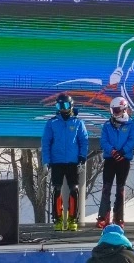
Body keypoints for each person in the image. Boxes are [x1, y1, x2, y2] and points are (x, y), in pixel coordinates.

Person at [42, 93, 89, 231]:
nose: (63, 109)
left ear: (71, 106)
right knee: (57, 189)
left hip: (72, 162)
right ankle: (58, 219)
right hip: (57, 161)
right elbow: (46, 143)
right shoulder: (52, 123)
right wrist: (46, 161)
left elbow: (84, 141)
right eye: (59, 106)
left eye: (66, 105)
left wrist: (82, 158)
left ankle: (72, 218)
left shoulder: (78, 122)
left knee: (74, 188)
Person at [97, 97, 134, 229]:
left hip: (123, 159)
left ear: (124, 109)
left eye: (117, 110)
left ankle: (118, 217)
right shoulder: (107, 125)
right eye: (113, 110)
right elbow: (103, 141)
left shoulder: (131, 124)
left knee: (120, 189)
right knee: (106, 188)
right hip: (110, 159)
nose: (114, 113)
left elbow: (133, 139)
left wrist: (122, 151)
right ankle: (103, 217)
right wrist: (112, 151)